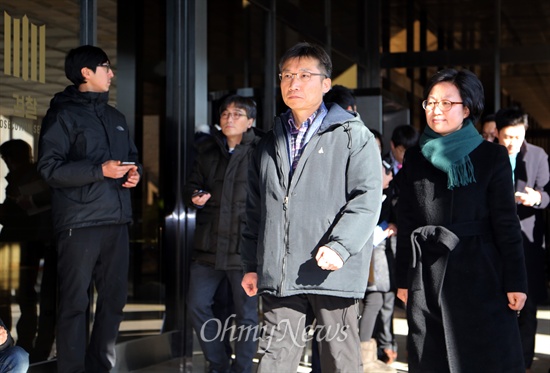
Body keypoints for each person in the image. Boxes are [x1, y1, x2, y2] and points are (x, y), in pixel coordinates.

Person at [240, 42, 383, 372]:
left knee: (339, 361)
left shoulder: (352, 135)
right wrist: (251, 262)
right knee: (275, 360)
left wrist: (341, 246)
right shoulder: (267, 142)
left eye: (305, 74)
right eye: (287, 75)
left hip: (331, 269)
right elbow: (253, 210)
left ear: (326, 84)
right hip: (280, 271)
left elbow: (367, 198)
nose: (294, 83)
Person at [395, 68, 527, 372]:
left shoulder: (491, 156)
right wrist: (403, 279)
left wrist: (516, 281)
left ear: (466, 109)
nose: (436, 109)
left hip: (483, 274)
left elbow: (507, 224)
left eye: (446, 103)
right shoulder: (415, 158)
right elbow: (407, 222)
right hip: (427, 276)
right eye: (430, 102)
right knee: (430, 358)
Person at [37, 45, 142, 373]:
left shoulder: (115, 118)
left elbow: (130, 159)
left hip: (117, 220)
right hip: (79, 223)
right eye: (106, 68)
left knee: (114, 302)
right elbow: (49, 169)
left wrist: (133, 174)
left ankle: (100, 368)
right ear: (86, 72)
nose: (111, 74)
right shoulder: (63, 114)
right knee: (75, 304)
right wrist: (100, 171)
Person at [184, 94, 262, 373]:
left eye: (237, 114)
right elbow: (191, 186)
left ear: (250, 121)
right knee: (196, 305)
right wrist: (194, 196)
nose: (230, 118)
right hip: (209, 246)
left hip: (244, 251)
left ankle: (242, 368)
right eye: (225, 114)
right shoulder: (207, 152)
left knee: (246, 315)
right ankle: (218, 363)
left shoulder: (260, 153)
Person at [495, 106, 549, 373]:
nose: (511, 142)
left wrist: (536, 198)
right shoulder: (488, 154)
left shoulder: (538, 155)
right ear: (497, 133)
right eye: (506, 136)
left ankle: (524, 364)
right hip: (495, 238)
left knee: (528, 307)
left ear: (524, 132)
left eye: (516, 137)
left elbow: (547, 192)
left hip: (527, 237)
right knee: (497, 300)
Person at [0, 139, 56, 363]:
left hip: (19, 246)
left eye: (6, 158)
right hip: (26, 245)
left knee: (17, 296)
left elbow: (18, 214)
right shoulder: (32, 176)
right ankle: (21, 342)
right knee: (25, 296)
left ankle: (17, 344)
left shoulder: (26, 178)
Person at [376, 124, 419, 365]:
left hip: (406, 239)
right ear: (393, 147)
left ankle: (407, 345)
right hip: (385, 238)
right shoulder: (381, 166)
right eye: (402, 150)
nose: (406, 155)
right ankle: (386, 344)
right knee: (385, 297)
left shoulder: (418, 165)